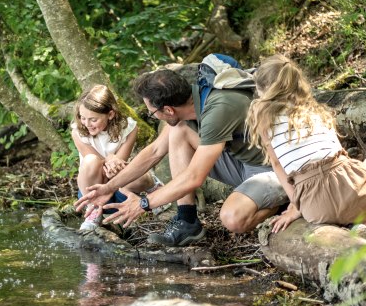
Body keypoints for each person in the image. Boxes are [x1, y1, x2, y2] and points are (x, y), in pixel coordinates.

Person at [74, 65, 288, 246]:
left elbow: (194, 177)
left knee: (233, 219)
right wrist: (108, 187)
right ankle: (187, 221)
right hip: (241, 161)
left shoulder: (218, 110)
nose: (153, 116)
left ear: (168, 110)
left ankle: (281, 202)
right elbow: (155, 151)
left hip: (272, 169)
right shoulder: (190, 103)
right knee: (177, 132)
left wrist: (143, 204)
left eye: (152, 113)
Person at [246, 54, 366, 232]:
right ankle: (357, 224)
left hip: (316, 206)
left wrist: (297, 205)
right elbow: (338, 153)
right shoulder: (314, 110)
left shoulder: (263, 117)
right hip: (353, 188)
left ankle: (351, 227)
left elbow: (277, 164)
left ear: (263, 90)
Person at [72, 84, 163, 230]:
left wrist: (113, 161)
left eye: (93, 119)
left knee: (133, 171)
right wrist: (110, 158)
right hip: (94, 192)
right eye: (83, 118)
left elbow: (117, 166)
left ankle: (155, 189)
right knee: (90, 161)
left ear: (110, 114)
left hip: (120, 188)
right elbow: (98, 163)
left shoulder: (129, 128)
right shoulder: (78, 132)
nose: (87, 124)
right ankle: (93, 212)